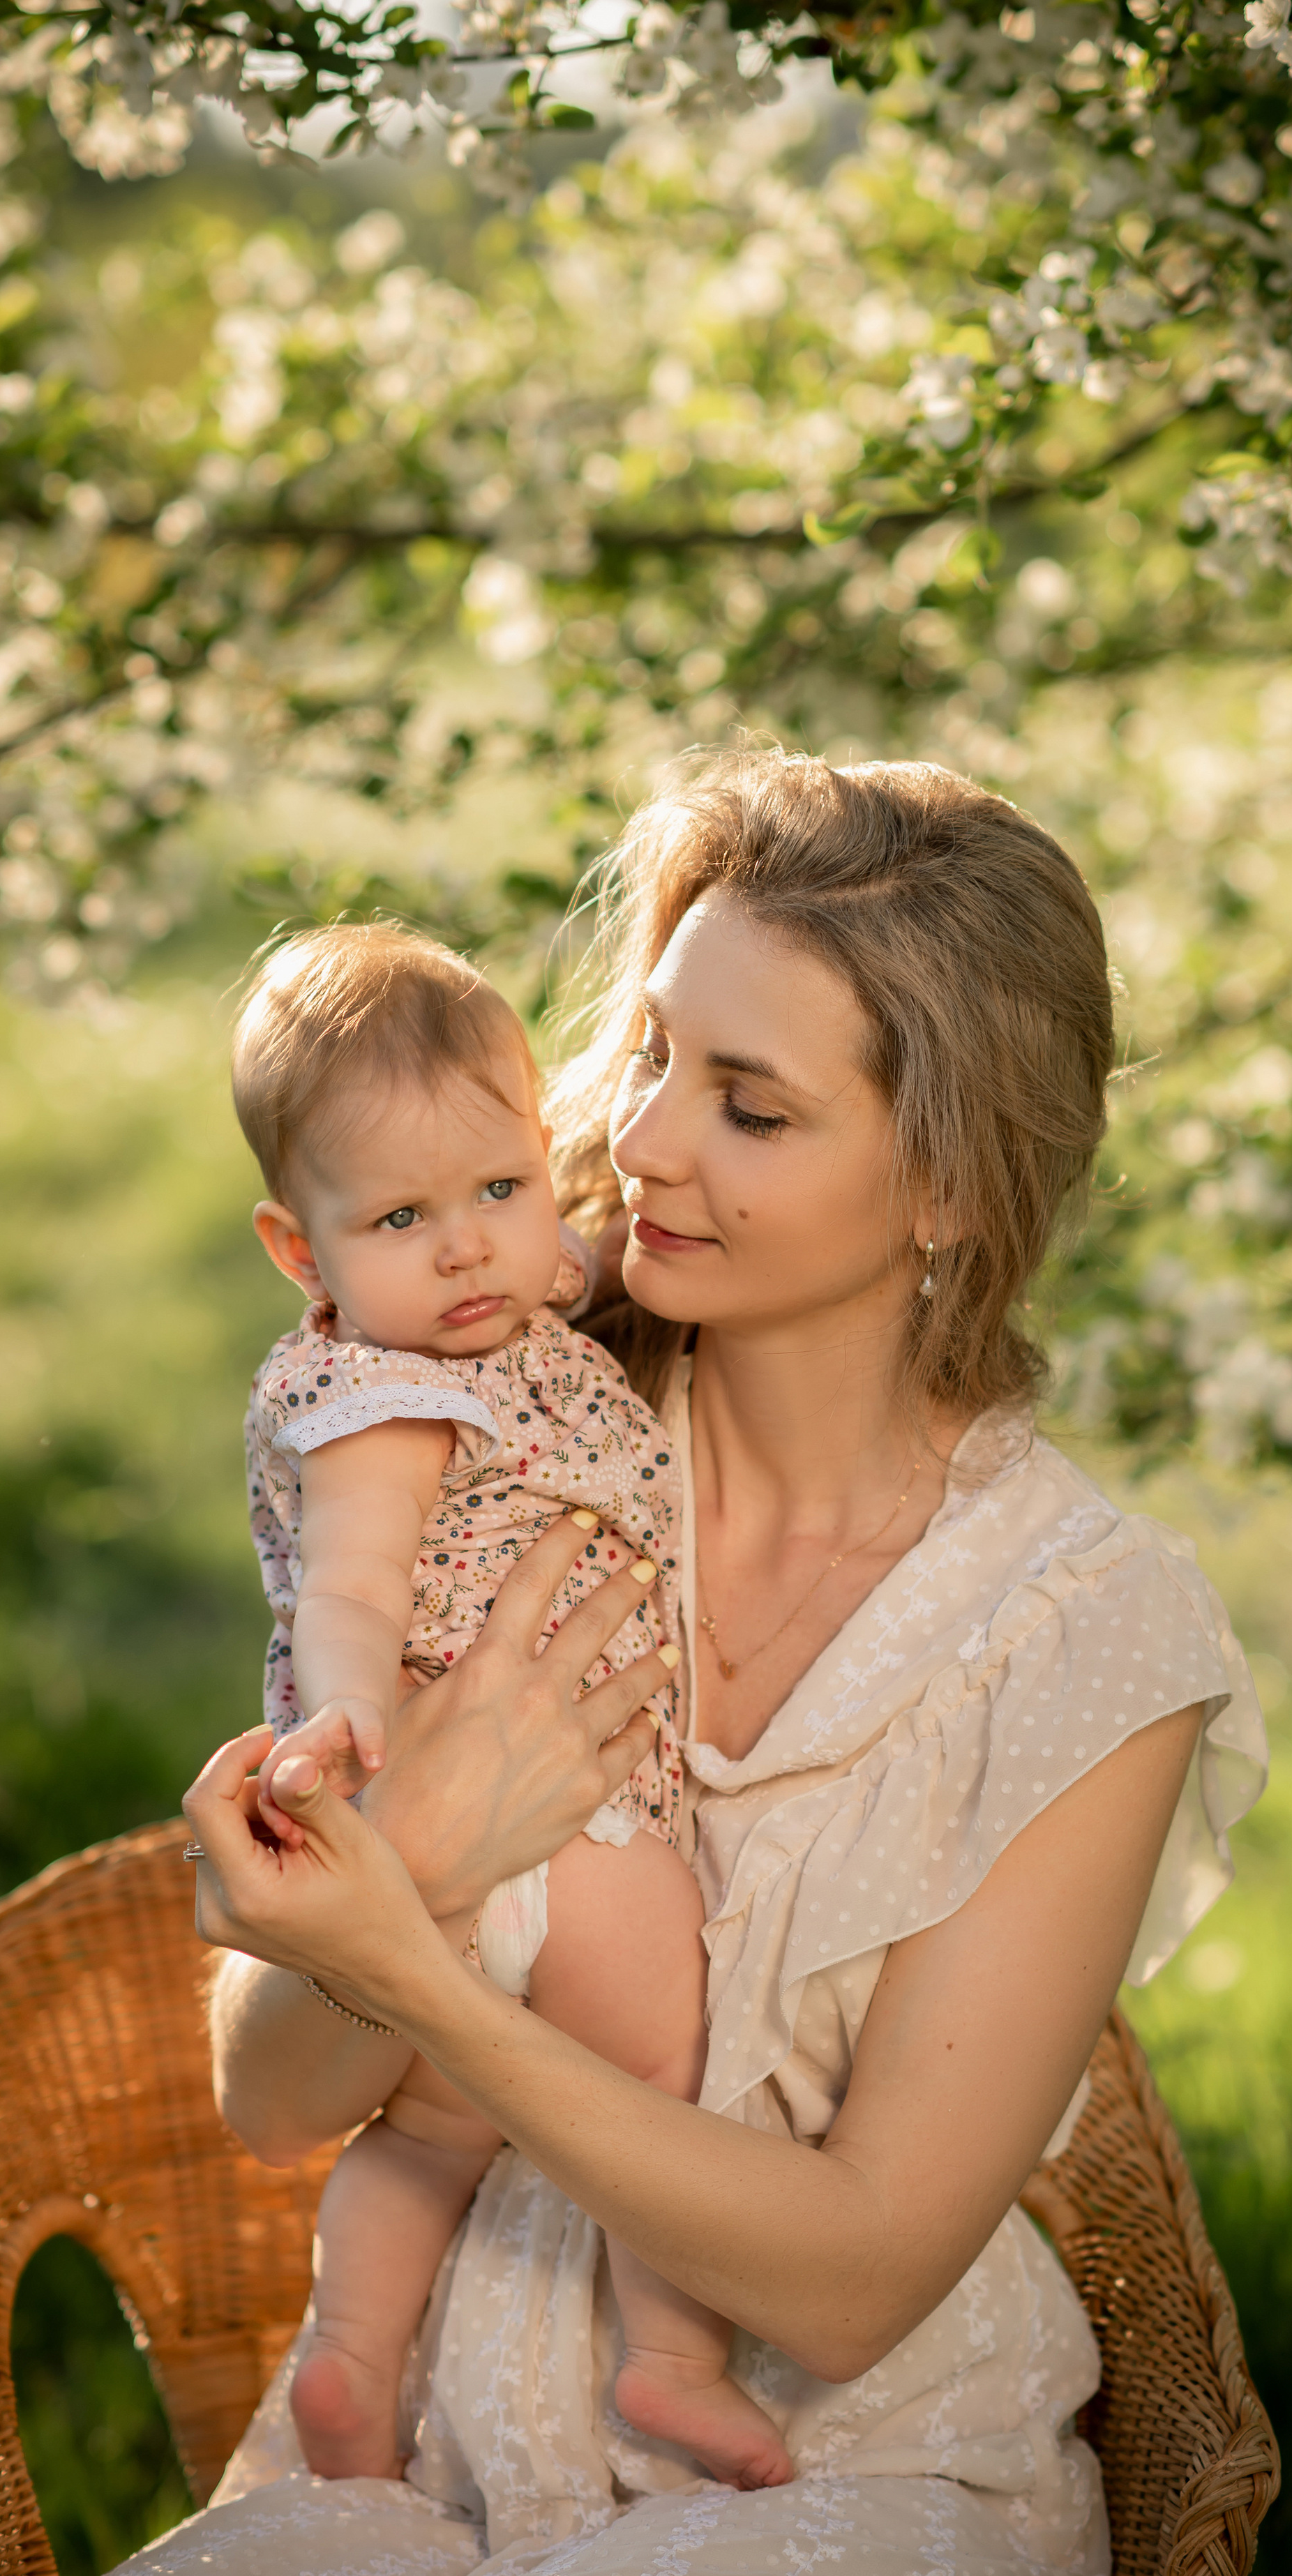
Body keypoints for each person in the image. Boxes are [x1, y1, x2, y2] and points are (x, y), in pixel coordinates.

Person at [0, 751, 1267, 2576]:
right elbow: (269, 2097)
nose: (647, 1139)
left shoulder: (1085, 1632)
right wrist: (402, 1854)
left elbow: (849, 2285)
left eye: (749, 1106)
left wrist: (419, 1978)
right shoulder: (499, 1420)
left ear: (944, 1181)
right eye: (656, 1050)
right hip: (438, 2460)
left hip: (856, 2478)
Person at [230, 920, 791, 2492]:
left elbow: (564, 1259)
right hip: (557, 1811)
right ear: (301, 1253)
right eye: (403, 1215)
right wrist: (345, 1721)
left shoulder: (505, 1301)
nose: (470, 1248)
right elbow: (346, 1588)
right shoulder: (375, 1398)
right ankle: (672, 2361)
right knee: (650, 2084)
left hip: (460, 1872)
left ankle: (351, 2360)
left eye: (498, 1188)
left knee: (430, 2126)